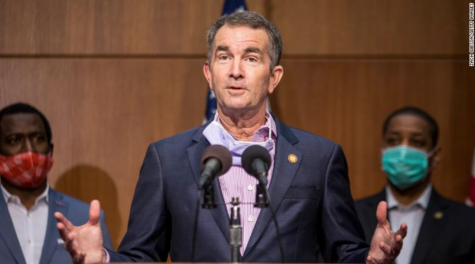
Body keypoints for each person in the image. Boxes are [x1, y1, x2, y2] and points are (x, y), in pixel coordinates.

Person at [55, 11, 406, 263]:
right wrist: (101, 259)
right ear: (209, 73)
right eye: (224, 57)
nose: (236, 71)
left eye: (251, 58)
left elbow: (343, 251)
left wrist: (370, 258)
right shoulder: (167, 158)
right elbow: (141, 256)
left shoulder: (320, 157)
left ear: (274, 77)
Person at [355, 107, 475, 264]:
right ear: (381, 152)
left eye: (417, 142)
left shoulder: (468, 220)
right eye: (393, 141)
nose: (403, 152)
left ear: (436, 156)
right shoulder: (352, 214)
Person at [0, 102, 113, 264]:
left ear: (50, 149)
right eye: (14, 140)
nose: (29, 150)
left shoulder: (86, 217)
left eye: (38, 138)